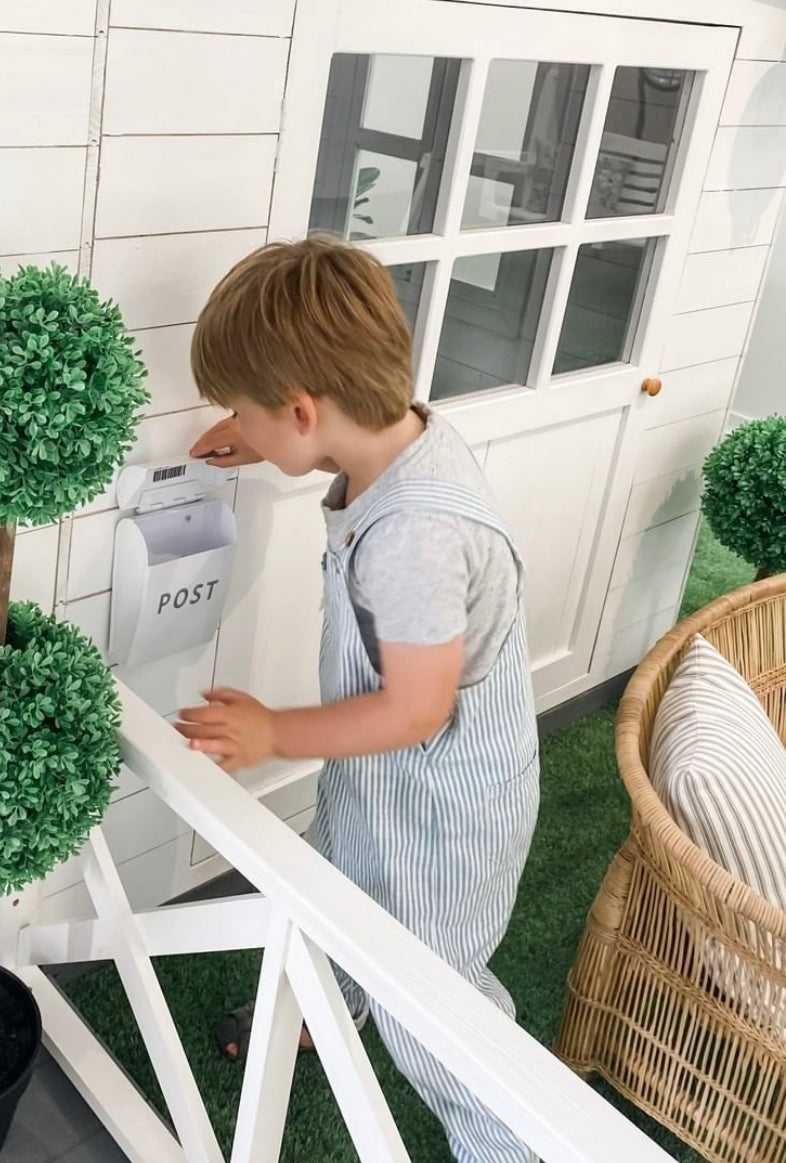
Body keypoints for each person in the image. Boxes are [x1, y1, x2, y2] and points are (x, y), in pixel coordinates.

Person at [176, 235, 540, 1163]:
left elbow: (416, 710)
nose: (237, 425)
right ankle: (326, 1009)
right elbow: (314, 430)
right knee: (338, 887)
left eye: (247, 412)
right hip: (388, 786)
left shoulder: (414, 534)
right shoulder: (399, 436)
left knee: (432, 997)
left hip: (446, 812)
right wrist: (263, 441)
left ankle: (517, 1138)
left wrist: (273, 730)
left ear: (303, 410)